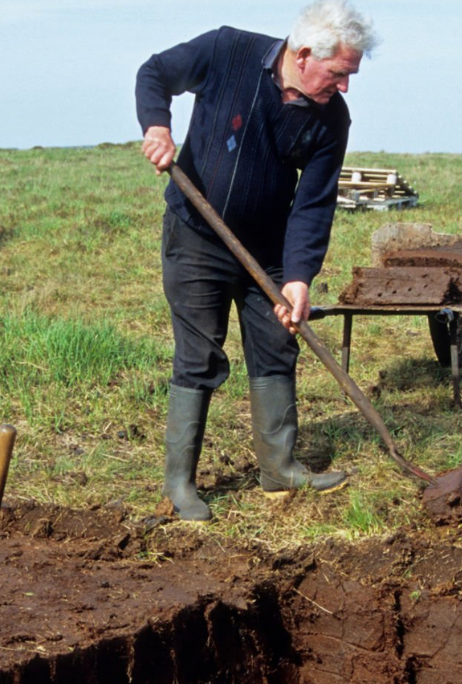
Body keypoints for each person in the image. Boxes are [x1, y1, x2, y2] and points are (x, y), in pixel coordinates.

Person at [135, 0, 378, 521]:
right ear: (305, 53)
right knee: (199, 355)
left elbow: (313, 205)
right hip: (197, 235)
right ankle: (180, 484)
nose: (345, 85)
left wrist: (297, 278)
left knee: (275, 346)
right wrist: (157, 126)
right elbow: (155, 72)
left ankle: (278, 468)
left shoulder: (331, 118)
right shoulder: (227, 50)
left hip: (265, 250)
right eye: (340, 73)